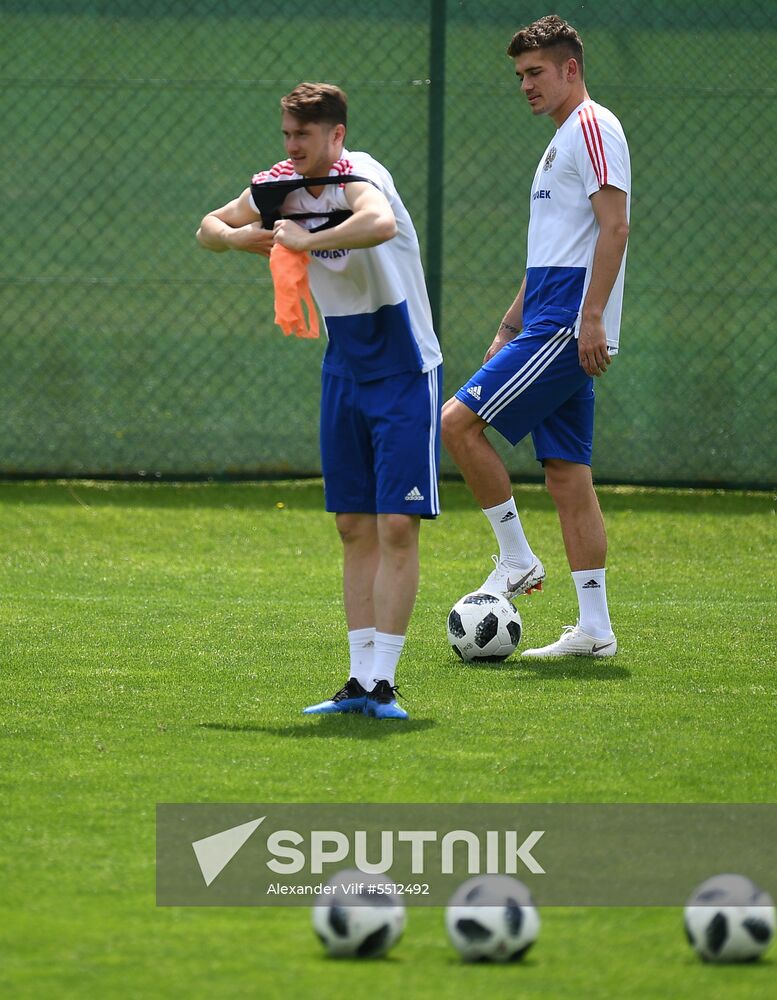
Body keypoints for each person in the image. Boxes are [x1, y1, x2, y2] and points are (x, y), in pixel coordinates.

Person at [197, 83, 442, 717]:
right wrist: (235, 239)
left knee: (396, 524)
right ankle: (358, 683)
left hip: (403, 367)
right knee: (352, 525)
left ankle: (385, 681)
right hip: (344, 368)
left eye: (303, 136)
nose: (292, 146)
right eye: (287, 134)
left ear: (335, 136)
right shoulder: (279, 183)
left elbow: (378, 221)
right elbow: (209, 226)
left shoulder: (360, 175)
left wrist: (304, 241)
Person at [441, 15, 630, 658]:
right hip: (548, 315)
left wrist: (593, 318)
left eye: (536, 73)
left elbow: (615, 228)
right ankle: (595, 630)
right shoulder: (557, 142)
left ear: (570, 68)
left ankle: (516, 559)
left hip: (567, 324)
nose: (525, 85)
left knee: (457, 424)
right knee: (566, 475)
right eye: (520, 75)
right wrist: (506, 323)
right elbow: (553, 252)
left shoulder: (593, 127)